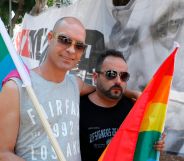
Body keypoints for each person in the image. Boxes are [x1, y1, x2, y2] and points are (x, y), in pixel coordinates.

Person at [0, 17, 138, 161]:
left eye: (79, 46)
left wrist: (131, 93)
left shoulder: (75, 84)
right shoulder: (16, 88)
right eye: (64, 40)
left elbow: (104, 86)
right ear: (50, 38)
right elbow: (2, 153)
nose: (71, 49)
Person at [80, 49, 165, 161]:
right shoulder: (77, 108)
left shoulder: (134, 108)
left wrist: (156, 141)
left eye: (124, 76)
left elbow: (144, 144)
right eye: (111, 74)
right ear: (96, 77)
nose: (118, 81)